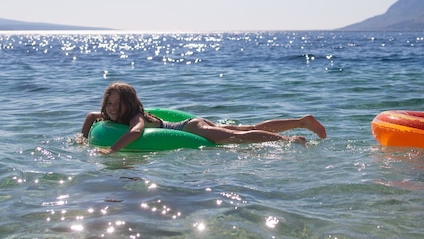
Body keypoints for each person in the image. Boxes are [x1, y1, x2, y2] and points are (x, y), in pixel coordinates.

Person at [82, 82, 327, 154]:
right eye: (109, 103)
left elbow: (135, 133)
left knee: (233, 137)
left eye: (118, 103)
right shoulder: (104, 114)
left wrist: (112, 150)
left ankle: (289, 140)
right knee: (246, 127)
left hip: (189, 127)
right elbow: (91, 115)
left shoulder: (135, 116)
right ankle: (301, 121)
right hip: (189, 124)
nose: (112, 108)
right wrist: (83, 137)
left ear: (130, 104)